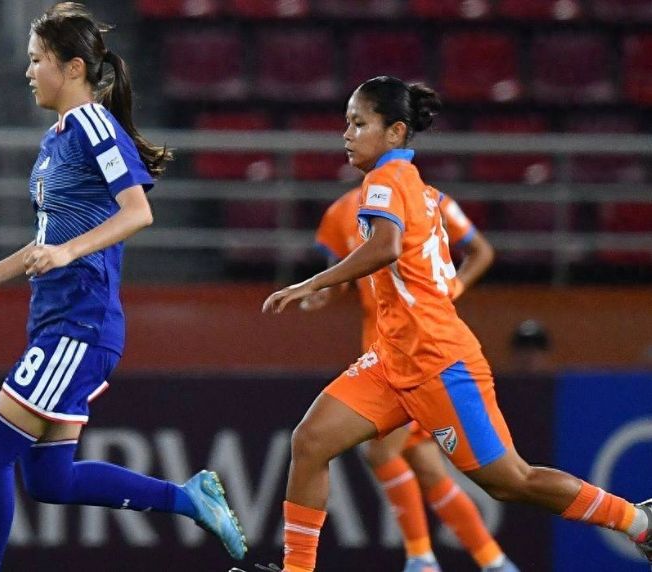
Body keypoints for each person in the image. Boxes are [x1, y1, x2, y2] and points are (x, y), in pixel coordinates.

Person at [244, 76, 651, 572]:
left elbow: (386, 247)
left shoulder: (385, 180)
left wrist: (312, 282)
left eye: (359, 123)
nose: (346, 134)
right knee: (311, 441)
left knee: (511, 482)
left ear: (395, 132)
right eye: (347, 123)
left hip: (440, 363)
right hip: (392, 359)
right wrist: (330, 288)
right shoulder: (419, 188)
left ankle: (638, 522)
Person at [0, 4, 245, 571]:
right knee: (50, 480)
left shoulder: (94, 126)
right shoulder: (55, 139)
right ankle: (189, 499)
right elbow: (49, 238)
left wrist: (67, 253)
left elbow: (137, 212)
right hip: (58, 318)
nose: (28, 71)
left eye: (37, 60)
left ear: (74, 67)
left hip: (80, 323)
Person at [304, 187, 516, 572]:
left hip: (419, 355)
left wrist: (453, 289)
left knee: (381, 453)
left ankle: (421, 558)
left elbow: (480, 250)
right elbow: (345, 275)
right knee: (426, 467)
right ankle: (493, 562)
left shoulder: (429, 199)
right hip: (381, 353)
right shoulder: (340, 213)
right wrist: (324, 292)